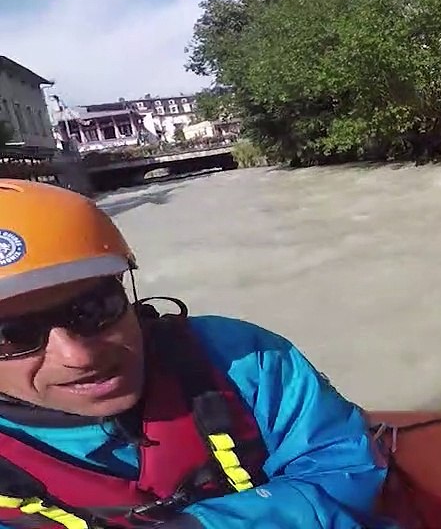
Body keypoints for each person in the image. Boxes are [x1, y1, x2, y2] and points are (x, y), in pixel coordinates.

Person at [0, 179, 392, 528]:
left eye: (93, 309)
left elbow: (343, 468)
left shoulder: (240, 359)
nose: (77, 356)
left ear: (125, 289)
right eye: (10, 337)